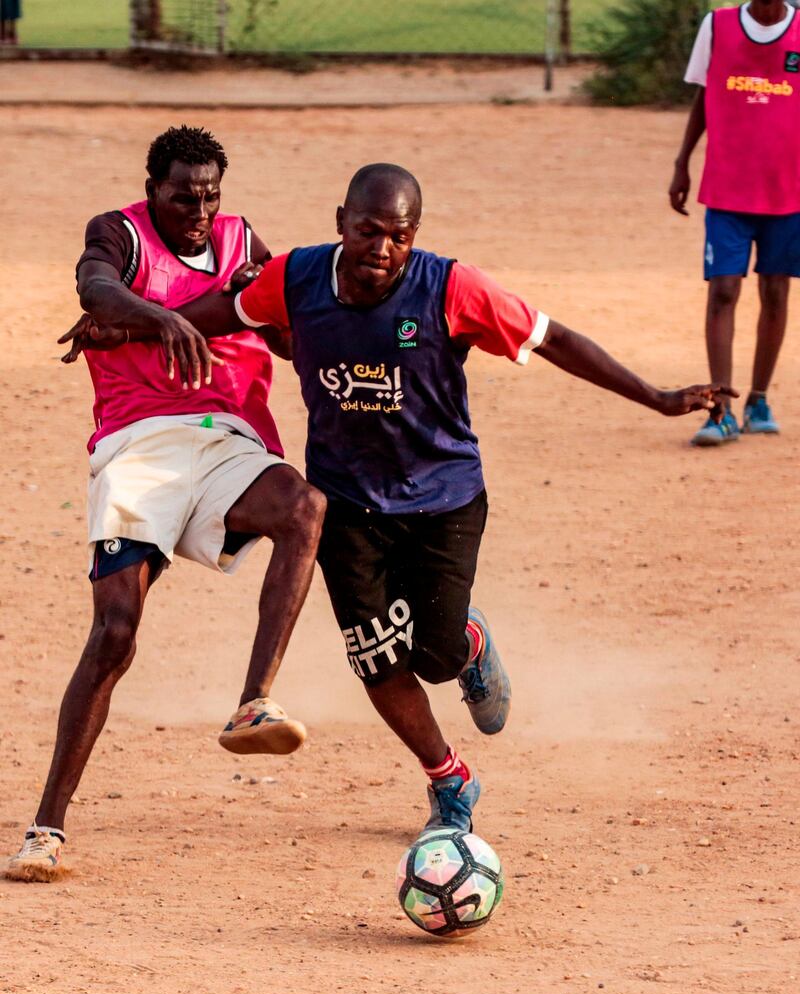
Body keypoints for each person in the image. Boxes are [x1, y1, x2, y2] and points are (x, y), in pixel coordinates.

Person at [61, 163, 734, 839]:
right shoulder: (294, 278)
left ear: (416, 237)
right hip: (348, 501)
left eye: (400, 236)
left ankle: (468, 640)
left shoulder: (451, 287)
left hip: (442, 496)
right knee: (378, 658)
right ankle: (448, 776)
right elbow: (209, 314)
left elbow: (552, 338)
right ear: (341, 224)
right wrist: (121, 329)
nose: (382, 249)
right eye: (369, 231)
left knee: (434, 657)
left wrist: (658, 397)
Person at [5, 126, 326, 882]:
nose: (200, 207)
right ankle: (47, 827)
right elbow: (96, 287)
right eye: (185, 193)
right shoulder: (118, 232)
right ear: (155, 187)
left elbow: (286, 323)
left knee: (305, 508)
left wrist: (275, 319)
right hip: (138, 447)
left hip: (228, 442)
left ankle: (254, 701)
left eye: (211, 193)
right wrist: (159, 315)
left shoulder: (244, 242)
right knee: (115, 634)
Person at [669, 0, 800, 446]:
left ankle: (758, 399)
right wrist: (682, 162)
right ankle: (720, 408)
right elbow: (705, 96)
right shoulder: (718, 25)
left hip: (789, 191)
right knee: (723, 290)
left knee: (775, 290)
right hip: (728, 188)